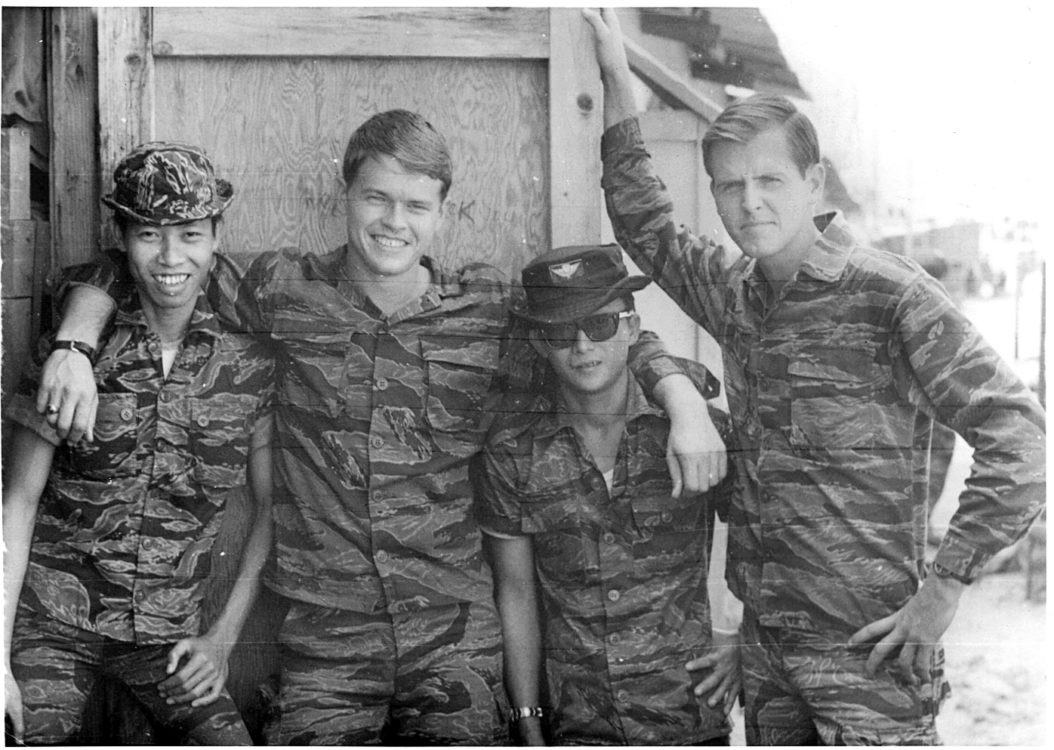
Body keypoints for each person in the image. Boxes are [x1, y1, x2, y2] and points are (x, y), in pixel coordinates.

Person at [33, 109, 726, 744]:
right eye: (377, 197)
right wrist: (74, 341)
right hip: (329, 642)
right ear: (346, 195)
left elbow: (590, 331)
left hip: (452, 636)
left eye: (416, 205)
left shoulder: (484, 308)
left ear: (441, 214)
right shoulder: (284, 290)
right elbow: (154, 267)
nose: (394, 221)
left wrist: (680, 393)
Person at [583, 8, 1046, 746]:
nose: (748, 202)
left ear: (814, 179)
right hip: (768, 658)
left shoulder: (890, 295)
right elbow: (646, 224)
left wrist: (947, 586)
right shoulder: (736, 293)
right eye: (729, 186)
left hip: (872, 652)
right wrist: (614, 75)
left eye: (769, 180)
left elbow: (1018, 435)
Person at [3, 143, 275, 745]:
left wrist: (222, 641)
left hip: (166, 637)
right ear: (122, 238)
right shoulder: (72, 352)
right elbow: (16, 503)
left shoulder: (250, 355)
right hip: (53, 621)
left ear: (215, 236)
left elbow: (270, 507)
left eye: (191, 234)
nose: (171, 257)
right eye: (149, 233)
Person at [475, 244, 742, 746]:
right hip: (577, 725)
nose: (582, 346)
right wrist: (527, 717)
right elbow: (516, 594)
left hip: (685, 718)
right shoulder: (513, 455)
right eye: (559, 331)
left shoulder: (696, 432)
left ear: (632, 328)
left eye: (599, 325)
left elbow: (773, 537)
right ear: (538, 341)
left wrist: (743, 638)